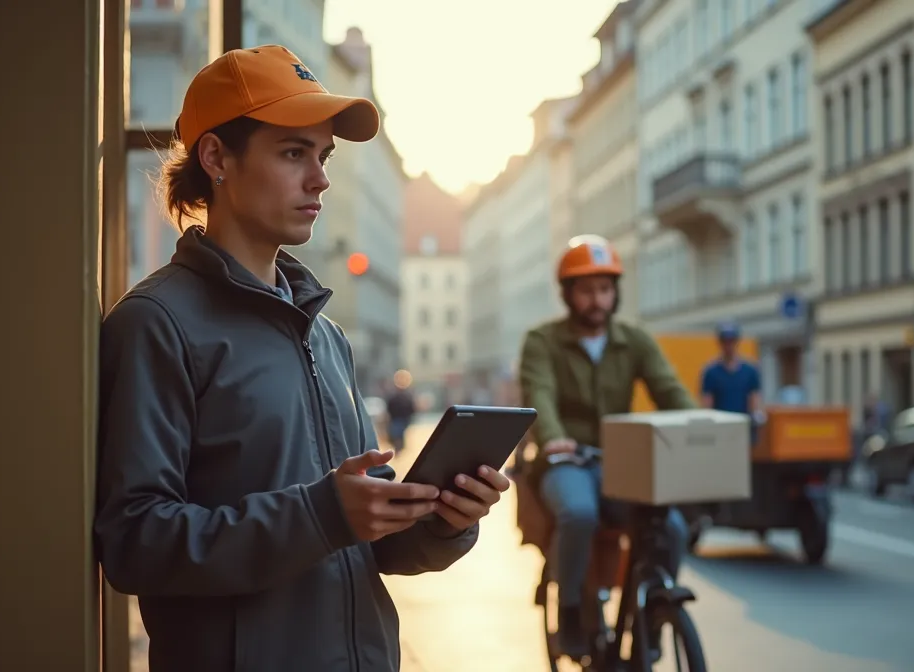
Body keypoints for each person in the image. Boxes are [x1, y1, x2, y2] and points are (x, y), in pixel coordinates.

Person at [93, 45, 507, 671]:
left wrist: (442, 520)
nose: (320, 178)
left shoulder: (326, 335)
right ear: (216, 158)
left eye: (323, 156)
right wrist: (320, 512)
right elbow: (136, 542)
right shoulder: (157, 324)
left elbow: (368, 544)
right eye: (293, 153)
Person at [518, 234, 695, 659]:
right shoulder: (543, 341)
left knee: (670, 527)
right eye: (586, 290)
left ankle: (652, 613)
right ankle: (573, 609)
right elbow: (539, 394)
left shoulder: (633, 339)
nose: (596, 299)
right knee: (578, 513)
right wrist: (553, 437)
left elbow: (669, 390)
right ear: (568, 294)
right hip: (565, 461)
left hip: (619, 464)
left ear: (614, 293)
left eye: (604, 289)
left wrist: (697, 426)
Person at [700, 322, 763, 422]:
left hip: (744, 424)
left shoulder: (750, 370)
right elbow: (707, 402)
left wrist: (756, 416)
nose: (728, 345)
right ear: (720, 343)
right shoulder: (711, 372)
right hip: (721, 426)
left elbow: (754, 399)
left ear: (737, 341)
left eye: (731, 341)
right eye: (725, 341)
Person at [385, 374, 416, 450]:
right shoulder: (397, 396)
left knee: (398, 434)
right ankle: (398, 447)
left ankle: (399, 447)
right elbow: (389, 407)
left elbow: (411, 408)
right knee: (397, 434)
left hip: (401, 419)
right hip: (397, 419)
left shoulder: (406, 397)